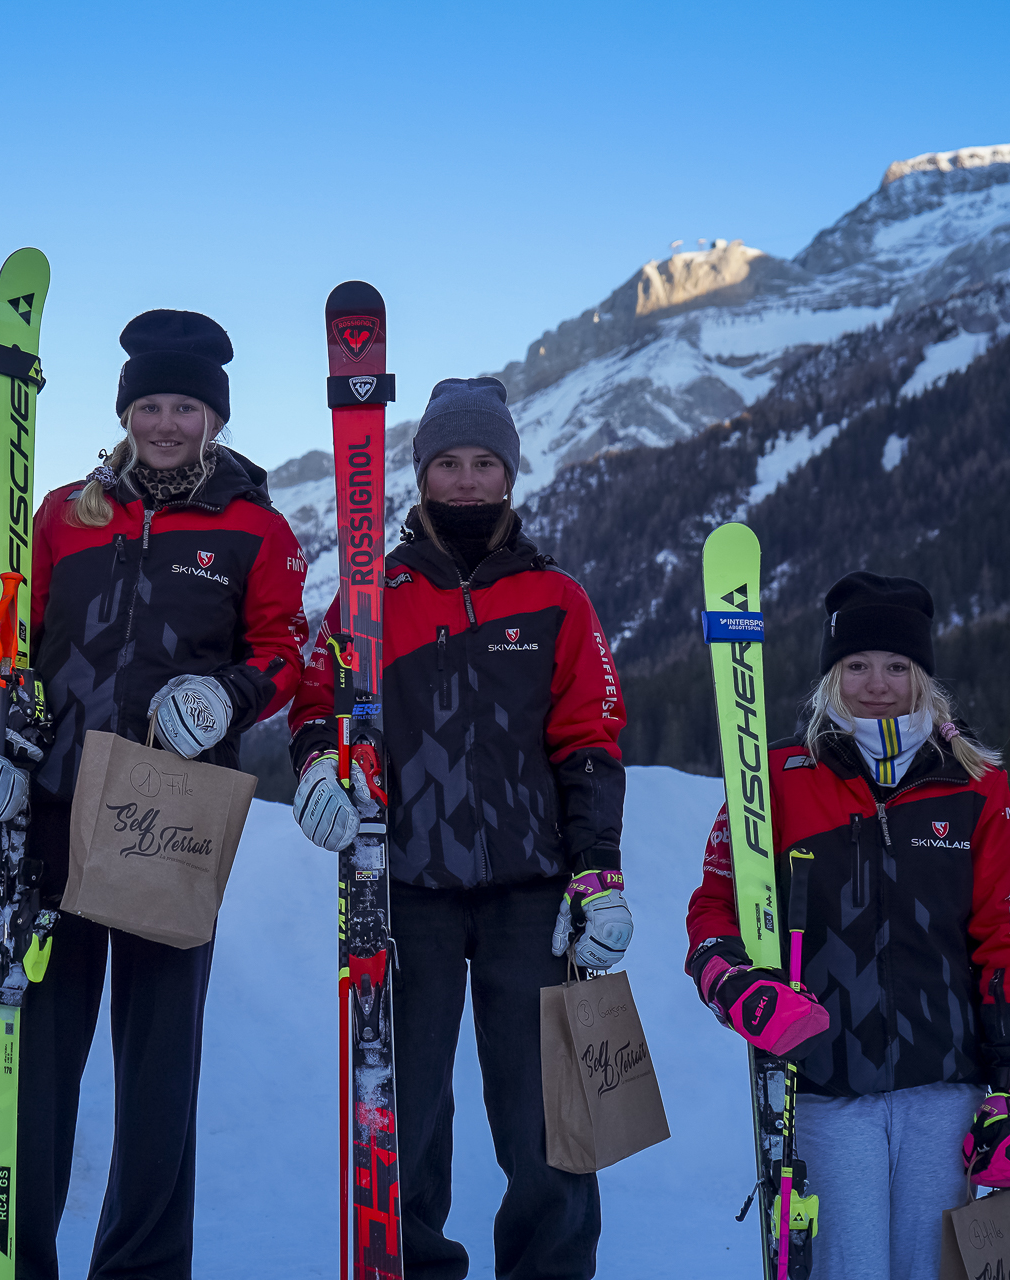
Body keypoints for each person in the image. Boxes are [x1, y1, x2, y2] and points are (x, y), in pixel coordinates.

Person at [0, 309, 308, 1278]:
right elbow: (1, 645)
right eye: (150, 403)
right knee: (36, 1073)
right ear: (126, 410)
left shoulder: (255, 528)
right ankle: (15, 1258)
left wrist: (227, 692)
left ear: (214, 416)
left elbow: (286, 653)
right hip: (54, 818)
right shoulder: (64, 513)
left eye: (186, 405)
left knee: (156, 1085)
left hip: (169, 817)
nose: (167, 422)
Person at [287, 376, 629, 1280]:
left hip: (531, 892)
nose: (468, 480)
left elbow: (589, 741)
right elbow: (318, 705)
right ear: (422, 474)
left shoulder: (557, 597)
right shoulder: (372, 596)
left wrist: (598, 873)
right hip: (405, 892)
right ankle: (413, 1266)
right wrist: (319, 764)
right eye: (450, 463)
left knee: (547, 1115)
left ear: (510, 474)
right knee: (403, 1114)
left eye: (485, 463)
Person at [683, 572, 1010, 1279]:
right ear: (831, 673)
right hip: (824, 1085)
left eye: (897, 666)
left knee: (935, 1269)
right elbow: (713, 910)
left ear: (923, 676)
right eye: (856, 666)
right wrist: (731, 984)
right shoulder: (778, 775)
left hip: (947, 1087)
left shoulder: (974, 784)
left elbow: (1002, 937)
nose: (877, 683)